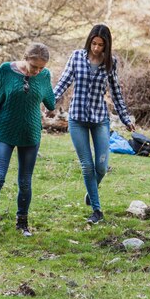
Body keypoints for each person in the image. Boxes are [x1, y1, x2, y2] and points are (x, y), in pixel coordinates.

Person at [53, 24, 136, 225]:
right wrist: (50, 102)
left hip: (100, 119)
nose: (96, 48)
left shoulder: (111, 63)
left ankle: (91, 194)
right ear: (89, 41)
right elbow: (64, 82)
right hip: (77, 119)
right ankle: (97, 210)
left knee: (101, 166)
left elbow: (116, 91)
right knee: (87, 165)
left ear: (107, 46)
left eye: (101, 45)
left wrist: (126, 118)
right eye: (94, 43)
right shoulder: (77, 57)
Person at [0, 42, 55, 242]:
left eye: (41, 67)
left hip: (30, 134)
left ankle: (22, 222)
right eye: (34, 66)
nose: (37, 71)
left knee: (25, 181)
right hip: (4, 131)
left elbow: (50, 101)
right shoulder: (6, 70)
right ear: (25, 58)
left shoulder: (45, 76)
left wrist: (50, 109)